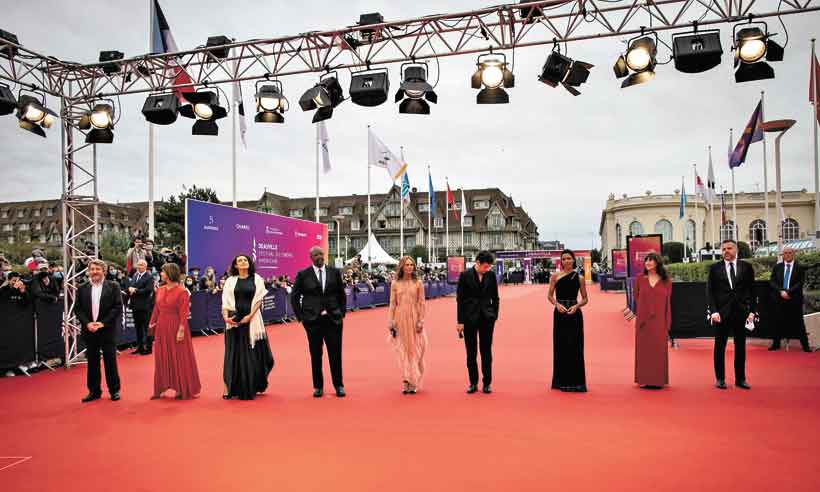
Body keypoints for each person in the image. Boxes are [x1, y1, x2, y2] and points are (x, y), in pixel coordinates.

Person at [291, 246, 347, 398]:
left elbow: (341, 294)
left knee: (335, 354)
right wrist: (301, 317)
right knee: (316, 355)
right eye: (316, 254)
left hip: (333, 320)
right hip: (312, 321)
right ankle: (318, 386)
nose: (319, 256)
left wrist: (341, 313)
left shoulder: (334, 272)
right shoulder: (303, 275)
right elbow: (294, 297)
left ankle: (339, 385)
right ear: (311, 257)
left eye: (321, 254)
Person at [221, 254, 274, 400]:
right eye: (239, 261)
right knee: (232, 353)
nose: (243, 262)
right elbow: (225, 301)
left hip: (252, 320)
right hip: (233, 320)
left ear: (249, 263)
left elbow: (259, 300)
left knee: (251, 354)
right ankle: (228, 388)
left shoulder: (257, 278)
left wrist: (249, 317)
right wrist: (226, 317)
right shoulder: (230, 281)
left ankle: (250, 386)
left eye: (245, 260)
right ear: (236, 265)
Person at [707, 239, 756, 390]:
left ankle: (740, 379)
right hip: (721, 313)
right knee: (719, 346)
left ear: (736, 250)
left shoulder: (746, 267)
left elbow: (752, 290)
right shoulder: (715, 268)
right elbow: (710, 291)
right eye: (723, 249)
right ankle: (720, 379)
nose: (726, 251)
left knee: (740, 347)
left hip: (741, 313)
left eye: (729, 248)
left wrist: (752, 311)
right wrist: (714, 311)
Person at [148, 263, 201, 400]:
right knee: (162, 356)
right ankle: (161, 388)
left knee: (179, 356)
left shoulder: (182, 291)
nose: (160, 274)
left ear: (170, 273)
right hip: (161, 326)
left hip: (176, 325)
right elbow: (156, 309)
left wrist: (181, 330)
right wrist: (151, 324)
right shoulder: (160, 289)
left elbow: (184, 313)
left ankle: (181, 388)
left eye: (163, 272)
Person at [74, 259, 123, 402]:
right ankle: (94, 391)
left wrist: (103, 323)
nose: (94, 271)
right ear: (88, 271)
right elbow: (78, 308)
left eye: (98, 269)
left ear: (104, 271)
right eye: (92, 269)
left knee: (110, 360)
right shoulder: (82, 288)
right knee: (92, 362)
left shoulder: (114, 286)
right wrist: (87, 323)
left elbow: (117, 307)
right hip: (89, 330)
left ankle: (114, 390)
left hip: (107, 330)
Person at [456, 250, 500, 394]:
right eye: (485, 266)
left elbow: (496, 298)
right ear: (478, 263)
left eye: (489, 267)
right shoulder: (464, 276)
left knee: (486, 351)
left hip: (487, 318)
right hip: (469, 318)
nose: (487, 269)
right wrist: (460, 321)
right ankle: (473, 383)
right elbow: (460, 300)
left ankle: (487, 383)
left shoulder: (491, 276)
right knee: (471, 352)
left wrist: (494, 315)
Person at [547, 249, 589, 392]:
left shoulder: (579, 278)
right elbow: (550, 296)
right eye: (563, 259)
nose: (566, 261)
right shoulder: (555, 276)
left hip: (574, 314)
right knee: (561, 346)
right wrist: (556, 304)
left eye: (569, 259)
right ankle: (560, 381)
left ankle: (576, 382)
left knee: (575, 346)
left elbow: (585, 299)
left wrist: (576, 306)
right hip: (559, 313)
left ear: (573, 260)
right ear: (561, 261)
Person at [631, 252, 672, 389]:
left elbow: (668, 303)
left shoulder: (666, 281)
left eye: (651, 260)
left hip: (659, 321)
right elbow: (636, 298)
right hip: (644, 321)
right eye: (646, 260)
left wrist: (667, 322)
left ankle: (658, 380)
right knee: (644, 350)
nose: (647, 263)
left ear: (657, 263)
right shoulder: (639, 279)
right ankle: (644, 378)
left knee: (659, 350)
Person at [387, 256, 427, 394]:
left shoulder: (418, 283)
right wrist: (390, 321)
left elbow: (422, 303)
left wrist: (421, 320)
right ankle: (406, 379)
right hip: (400, 319)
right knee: (403, 351)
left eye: (411, 265)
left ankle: (414, 380)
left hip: (414, 319)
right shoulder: (395, 284)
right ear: (402, 267)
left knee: (415, 350)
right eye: (407, 265)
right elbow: (392, 303)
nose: (410, 267)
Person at [768, 247, 811, 352]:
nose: (787, 255)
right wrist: (781, 291)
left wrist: (788, 292)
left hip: (794, 299)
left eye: (789, 253)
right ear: (782, 255)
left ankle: (805, 346)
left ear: (793, 254)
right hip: (779, 298)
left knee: (799, 323)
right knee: (777, 322)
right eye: (785, 253)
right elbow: (772, 281)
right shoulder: (777, 267)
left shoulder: (799, 267)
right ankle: (776, 344)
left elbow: (800, 282)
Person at [127, 260, 155, 355]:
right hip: (135, 306)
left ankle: (148, 347)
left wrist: (136, 290)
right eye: (138, 264)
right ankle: (139, 347)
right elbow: (130, 286)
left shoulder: (149, 277)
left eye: (141, 265)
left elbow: (148, 290)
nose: (139, 266)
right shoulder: (135, 275)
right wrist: (130, 289)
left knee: (146, 327)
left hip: (145, 306)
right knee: (138, 327)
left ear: (145, 266)